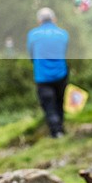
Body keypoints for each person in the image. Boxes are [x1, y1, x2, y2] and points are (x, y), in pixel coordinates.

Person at [27, 7, 69, 138]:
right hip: (61, 74)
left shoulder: (33, 35)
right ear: (54, 19)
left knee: (49, 104)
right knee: (59, 101)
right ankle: (61, 126)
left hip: (42, 76)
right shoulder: (63, 34)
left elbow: (32, 55)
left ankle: (55, 131)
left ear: (39, 21)